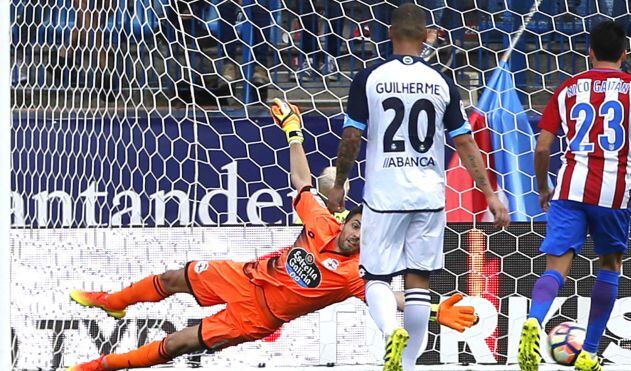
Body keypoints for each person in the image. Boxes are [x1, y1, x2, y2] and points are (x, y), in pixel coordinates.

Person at [66, 99, 479, 371]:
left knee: (178, 343)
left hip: (257, 316)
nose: (357, 237)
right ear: (349, 219)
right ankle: (114, 302)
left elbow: (391, 297)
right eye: (357, 226)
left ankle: (101, 366)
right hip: (244, 275)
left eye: (367, 236)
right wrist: (293, 131)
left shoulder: (359, 273)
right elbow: (301, 181)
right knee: (177, 277)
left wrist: (433, 310)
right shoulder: (323, 221)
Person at [326, 4, 511, 371]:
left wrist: (341, 183)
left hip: (384, 194)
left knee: (376, 277)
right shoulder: (442, 81)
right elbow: (465, 143)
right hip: (428, 195)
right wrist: (490, 194)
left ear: (390, 34)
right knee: (418, 282)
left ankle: (387, 331)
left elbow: (352, 136)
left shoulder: (370, 77)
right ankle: (408, 365)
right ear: (428, 37)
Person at [517, 20, 631, 371]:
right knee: (609, 266)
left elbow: (543, 145)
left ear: (589, 53)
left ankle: (534, 319)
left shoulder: (567, 88)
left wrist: (544, 186)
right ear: (625, 55)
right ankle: (590, 352)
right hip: (612, 191)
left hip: (569, 188)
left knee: (557, 264)